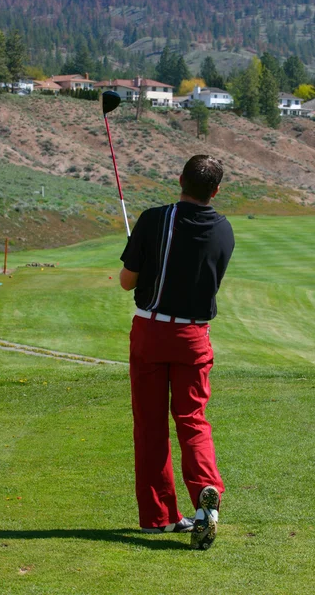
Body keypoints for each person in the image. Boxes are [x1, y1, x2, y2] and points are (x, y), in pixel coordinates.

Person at [119, 155, 235, 550]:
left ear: (179, 179)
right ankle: (207, 492)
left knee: (150, 425)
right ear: (216, 191)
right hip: (194, 337)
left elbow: (125, 281)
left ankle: (158, 517)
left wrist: (138, 253)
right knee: (192, 419)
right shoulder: (224, 230)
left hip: (151, 331)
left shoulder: (154, 219)